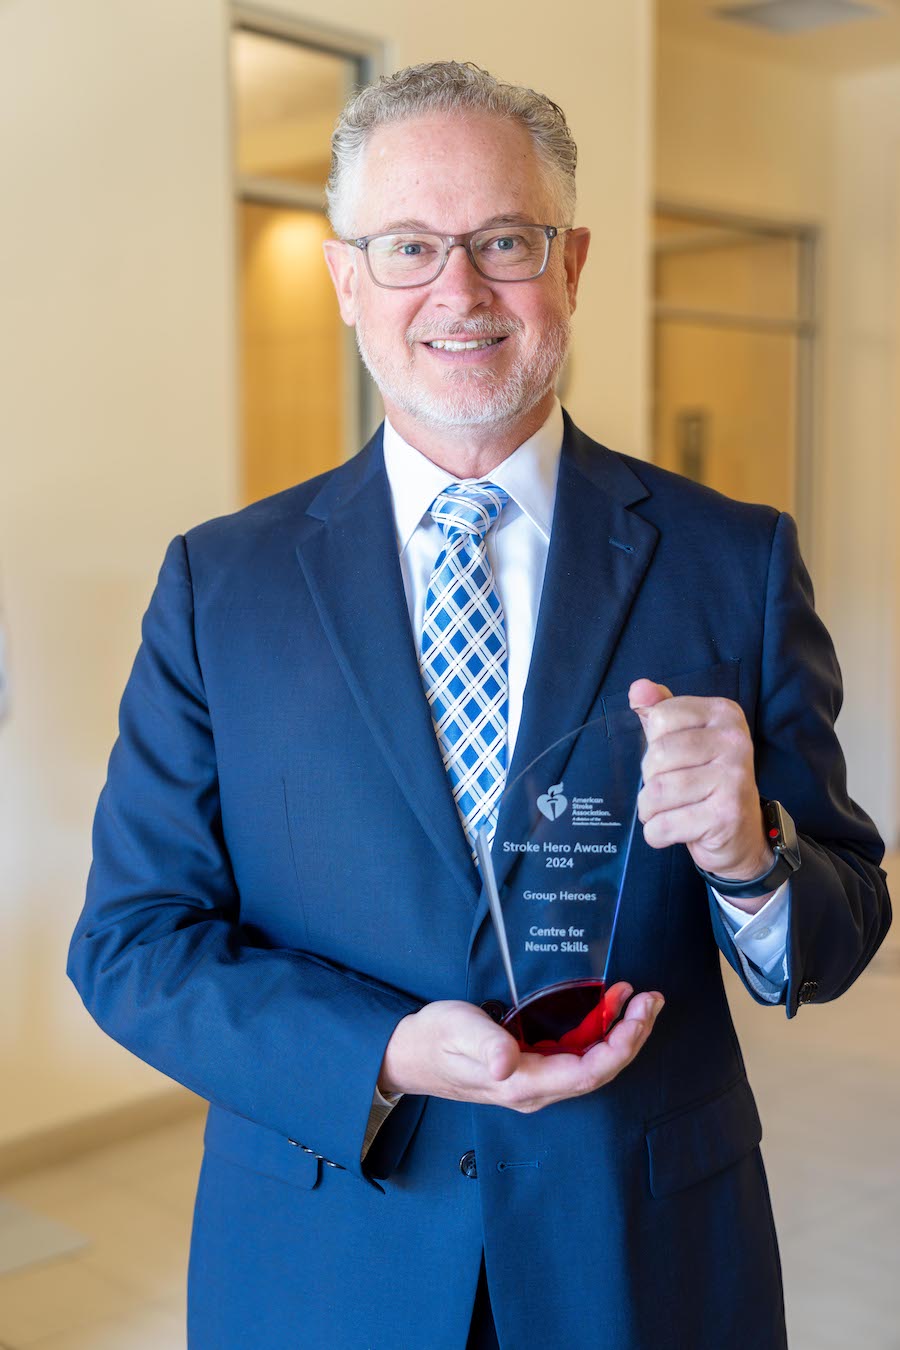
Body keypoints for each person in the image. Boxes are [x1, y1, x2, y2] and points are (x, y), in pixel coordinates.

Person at [68, 61, 890, 1350]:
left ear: (569, 263)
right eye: (407, 247)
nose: (457, 291)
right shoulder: (218, 586)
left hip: (643, 1258)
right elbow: (130, 944)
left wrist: (754, 857)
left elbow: (842, 927)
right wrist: (384, 1053)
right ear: (348, 281)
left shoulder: (733, 560)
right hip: (328, 1263)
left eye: (502, 240)